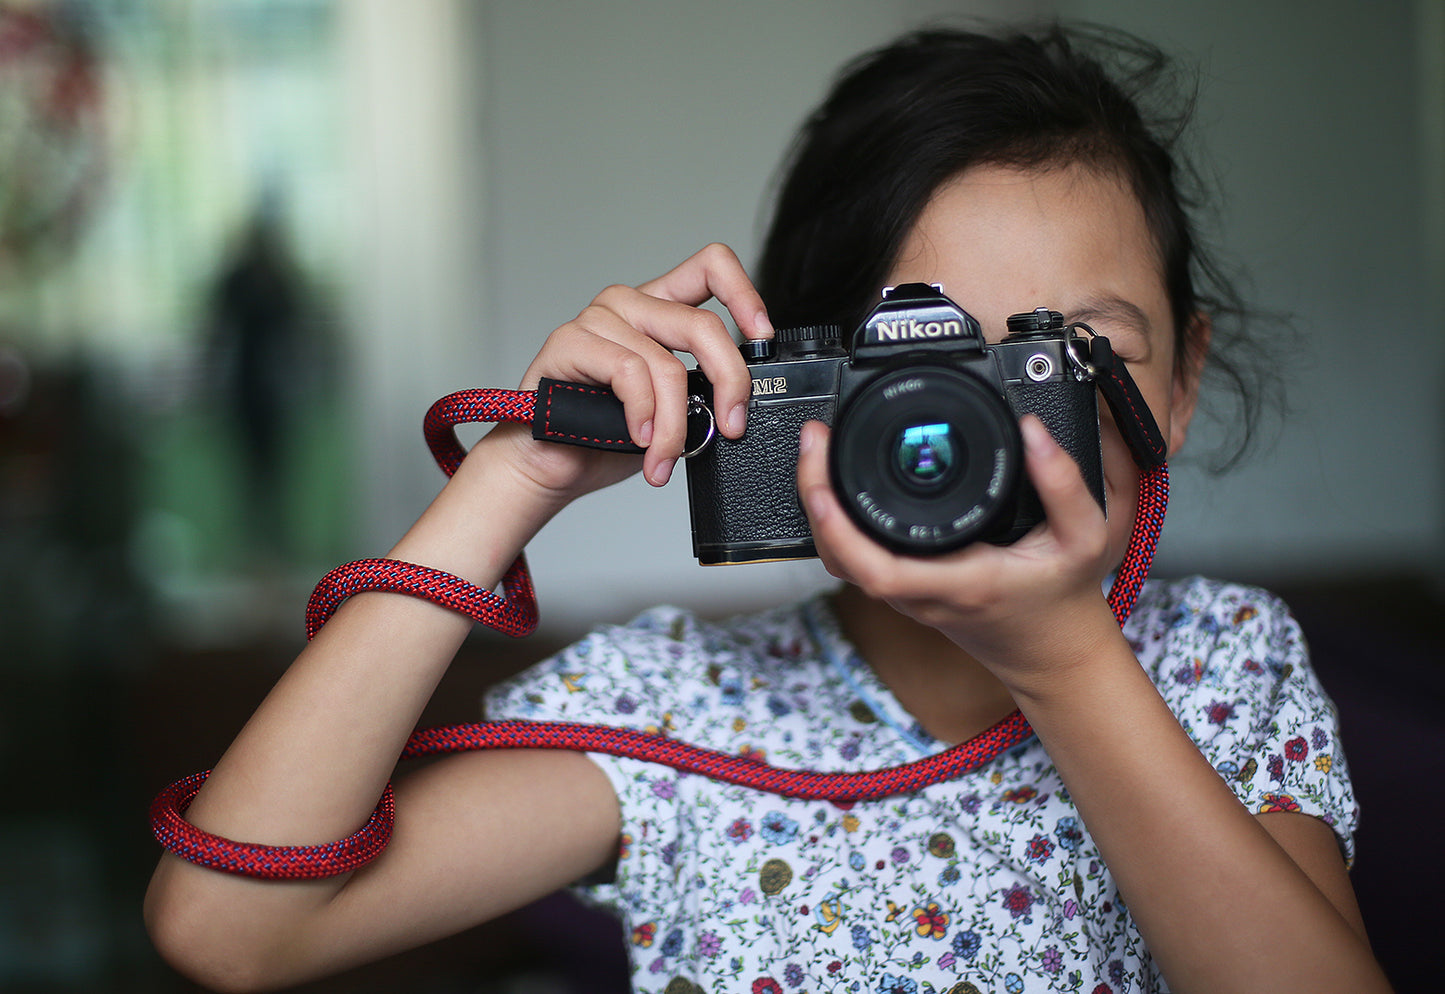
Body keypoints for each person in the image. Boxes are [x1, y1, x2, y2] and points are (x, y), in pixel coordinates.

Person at [144, 24, 1392, 994]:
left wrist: (1065, 659)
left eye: (1068, 354)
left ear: (1179, 385)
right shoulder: (684, 708)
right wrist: (508, 478)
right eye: (929, 367)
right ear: (802, 397)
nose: (994, 433)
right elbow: (228, 926)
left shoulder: (1224, 664)